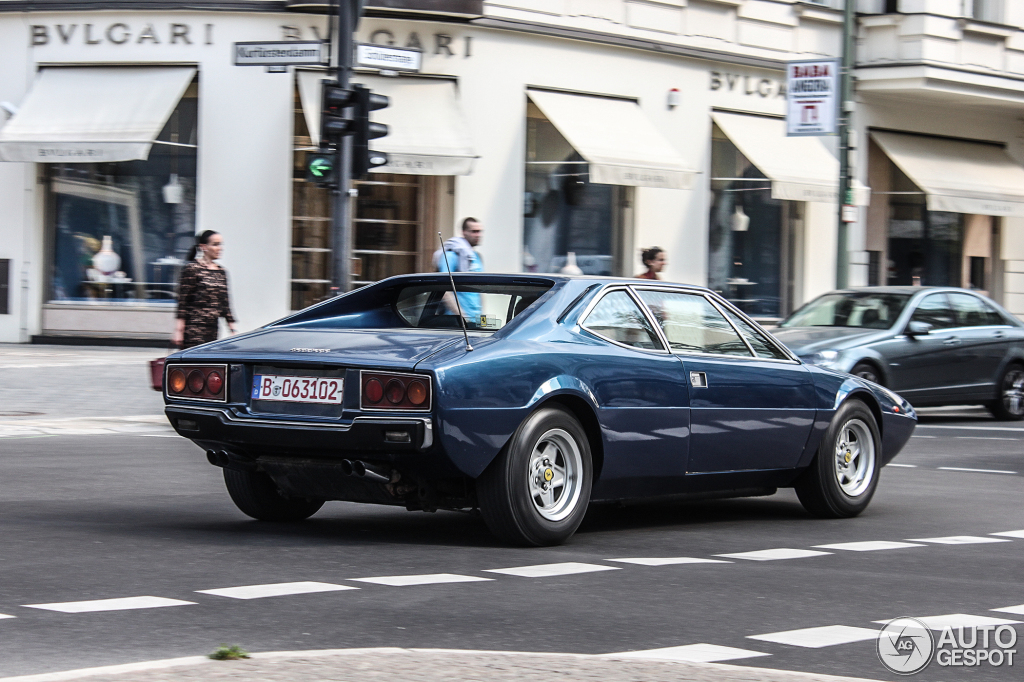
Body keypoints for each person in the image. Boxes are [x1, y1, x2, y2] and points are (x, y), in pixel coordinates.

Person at [172, 230, 236, 348]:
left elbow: (225, 304)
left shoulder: (221, 272)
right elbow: (183, 302)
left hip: (212, 331)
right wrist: (178, 331)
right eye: (215, 244)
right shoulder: (192, 269)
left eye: (221, 244)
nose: (220, 248)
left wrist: (233, 330)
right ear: (203, 247)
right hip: (193, 331)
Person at [434, 218, 483, 323]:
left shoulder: (476, 257)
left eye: (479, 231)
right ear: (464, 232)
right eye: (474, 231)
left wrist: (482, 317)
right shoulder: (451, 256)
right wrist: (462, 316)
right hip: (456, 320)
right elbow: (444, 289)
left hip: (476, 319)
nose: (478, 235)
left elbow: (481, 289)